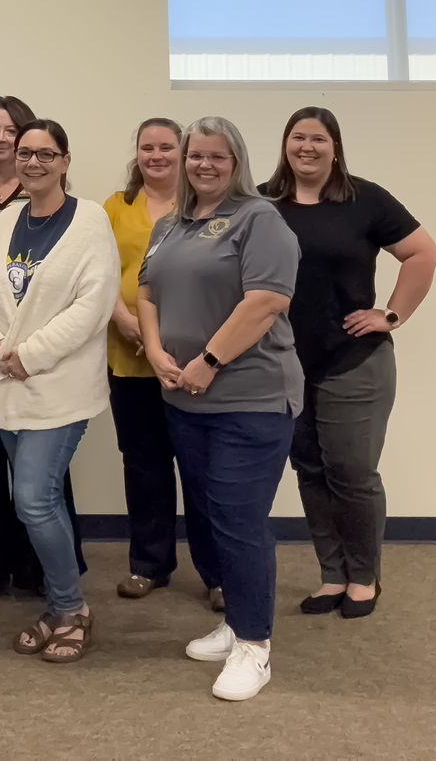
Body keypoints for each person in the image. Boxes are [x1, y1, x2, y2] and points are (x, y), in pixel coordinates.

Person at [137, 116, 301, 701]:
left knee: (239, 521)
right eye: (195, 156)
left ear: (237, 163)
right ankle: (234, 623)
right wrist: (155, 350)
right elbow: (147, 291)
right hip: (185, 399)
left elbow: (265, 301)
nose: (204, 166)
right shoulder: (170, 224)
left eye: (217, 157)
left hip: (249, 399)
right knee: (209, 515)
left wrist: (208, 359)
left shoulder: (260, 219)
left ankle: (255, 647)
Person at [262, 107, 436, 618]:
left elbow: (423, 253)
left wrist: (391, 313)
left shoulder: (364, 198)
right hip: (285, 361)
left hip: (353, 360)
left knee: (352, 471)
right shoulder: (263, 203)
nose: (307, 147)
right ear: (285, 144)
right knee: (310, 469)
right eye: (298, 137)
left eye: (319, 139)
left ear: (335, 147)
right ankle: (331, 574)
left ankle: (364, 576)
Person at [0, 119, 118, 664]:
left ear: (65, 161)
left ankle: (71, 607)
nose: (32, 162)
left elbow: (94, 304)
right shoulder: (9, 217)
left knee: (33, 499)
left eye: (45, 154)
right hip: (7, 387)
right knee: (42, 499)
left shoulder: (90, 221)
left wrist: (30, 355)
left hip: (58, 385)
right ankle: (60, 605)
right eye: (24, 153)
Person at [0, 95, 87, 598]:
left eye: (13, 130)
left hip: (41, 360)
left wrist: (28, 351)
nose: (3, 139)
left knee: (40, 483)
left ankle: (40, 571)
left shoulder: (60, 206)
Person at [104, 118, 224, 611]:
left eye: (167, 147)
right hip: (129, 356)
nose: (157, 155)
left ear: (184, 152)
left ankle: (216, 573)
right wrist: (125, 320)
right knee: (145, 466)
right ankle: (149, 564)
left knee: (201, 470)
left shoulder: (210, 207)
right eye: (147, 147)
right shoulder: (117, 206)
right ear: (137, 153)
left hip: (190, 360)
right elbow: (100, 271)